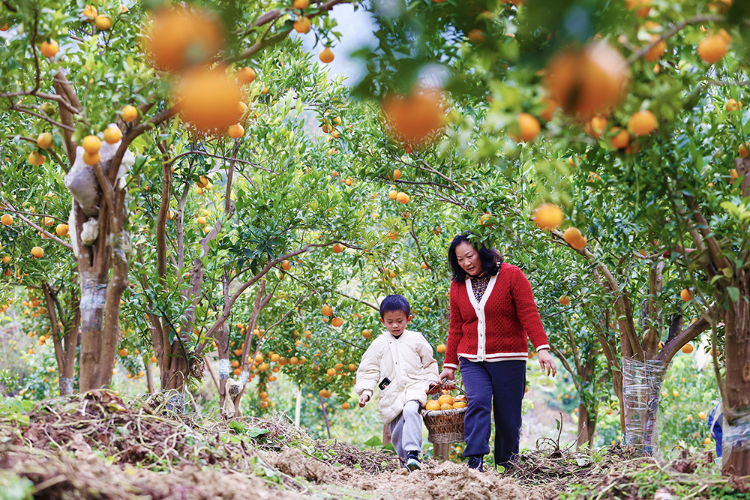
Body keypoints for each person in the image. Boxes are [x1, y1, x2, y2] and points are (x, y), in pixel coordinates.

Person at [438, 233, 557, 472]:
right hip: (472, 359)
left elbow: (529, 313)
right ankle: (475, 461)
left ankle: (507, 465)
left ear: (482, 252)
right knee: (478, 401)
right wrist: (449, 364)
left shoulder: (512, 275)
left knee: (508, 417)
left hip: (509, 358)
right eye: (459, 259)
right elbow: (455, 326)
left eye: (469, 256)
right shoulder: (458, 285)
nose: (466, 263)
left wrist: (542, 348)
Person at [355, 294, 440, 470]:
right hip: (391, 392)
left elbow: (430, 363)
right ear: (382, 321)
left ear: (408, 319)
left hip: (415, 386)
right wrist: (366, 392)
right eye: (390, 321)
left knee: (410, 411)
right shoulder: (379, 343)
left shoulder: (416, 339)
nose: (395, 325)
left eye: (399, 321)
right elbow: (369, 370)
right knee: (397, 430)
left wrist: (432, 381)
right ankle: (406, 464)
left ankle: (413, 453)